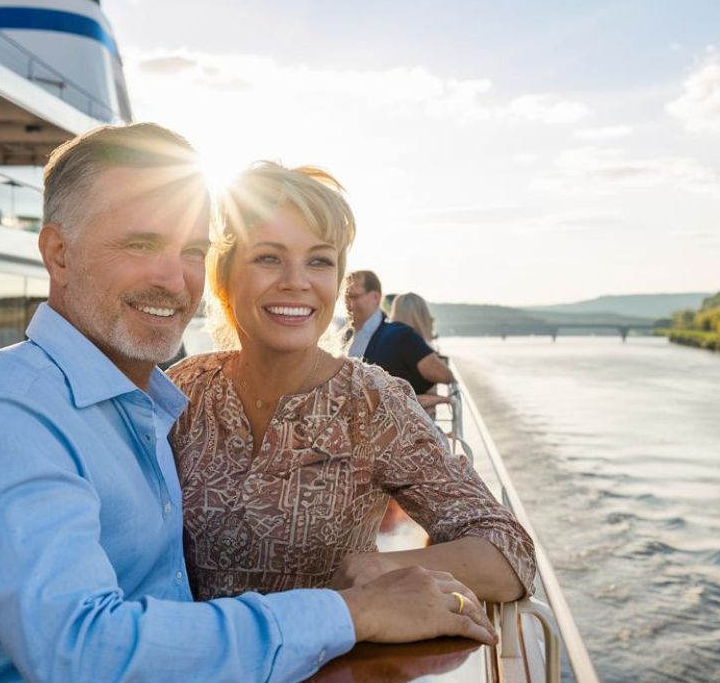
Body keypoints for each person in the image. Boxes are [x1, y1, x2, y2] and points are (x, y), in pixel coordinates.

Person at [0, 124, 496, 683]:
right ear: (58, 253)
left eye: (190, 251)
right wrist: (353, 612)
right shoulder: (2, 409)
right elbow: (87, 667)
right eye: (140, 244)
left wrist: (371, 577)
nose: (173, 281)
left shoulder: (144, 405)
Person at [168, 162, 535, 604]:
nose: (296, 282)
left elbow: (510, 554)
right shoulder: (185, 390)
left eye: (319, 261)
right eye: (268, 257)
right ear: (224, 276)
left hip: (332, 670)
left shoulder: (371, 404)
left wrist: (383, 569)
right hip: (196, 666)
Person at [344, 270, 456, 399]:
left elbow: (444, 376)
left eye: (354, 296)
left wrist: (440, 400)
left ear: (375, 297)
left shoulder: (401, 335)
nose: (348, 303)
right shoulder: (345, 336)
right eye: (346, 297)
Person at [389, 292, 451, 411]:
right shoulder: (412, 344)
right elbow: (446, 377)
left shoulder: (389, 341)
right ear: (422, 316)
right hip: (412, 422)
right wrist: (442, 399)